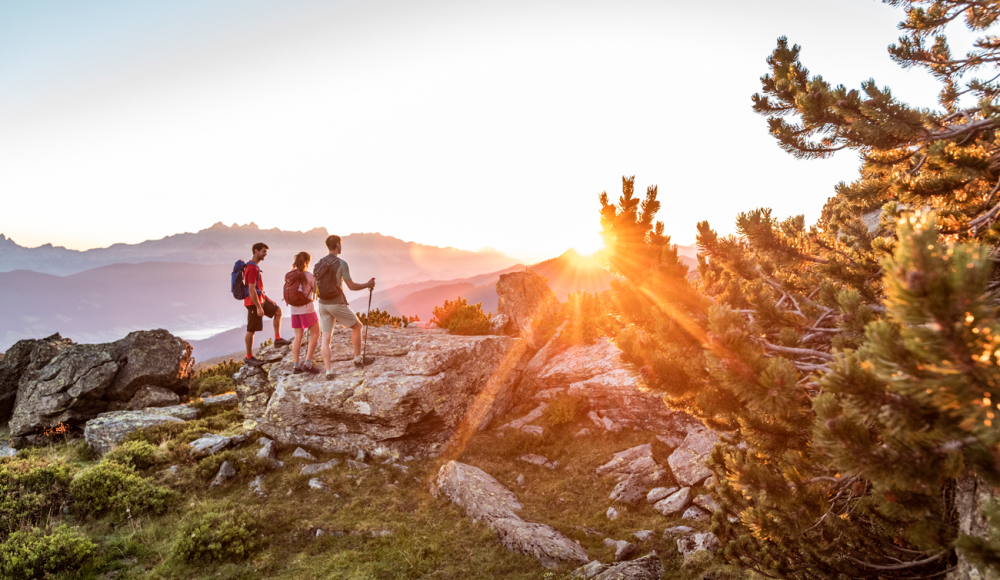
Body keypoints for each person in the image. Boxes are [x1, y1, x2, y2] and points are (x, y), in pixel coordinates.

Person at [314, 234, 375, 379]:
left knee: (326, 338)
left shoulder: (319, 263)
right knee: (357, 327)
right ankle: (357, 359)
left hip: (322, 304)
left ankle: (328, 372)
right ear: (337, 245)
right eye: (340, 244)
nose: (341, 246)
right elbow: (352, 286)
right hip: (336, 303)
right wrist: (368, 284)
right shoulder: (342, 264)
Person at [243, 242, 290, 367]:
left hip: (261, 300)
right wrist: (258, 307)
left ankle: (277, 339)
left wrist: (266, 298)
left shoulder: (255, 266)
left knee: (278, 311)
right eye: (263, 252)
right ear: (256, 251)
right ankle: (249, 357)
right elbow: (251, 289)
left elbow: (258, 288)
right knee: (251, 330)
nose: (265, 254)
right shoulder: (252, 268)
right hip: (253, 303)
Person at [288, 251, 321, 374]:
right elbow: (317, 291)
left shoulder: (290, 275)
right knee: (315, 335)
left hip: (294, 310)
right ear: (308, 262)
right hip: (307, 309)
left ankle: (296, 366)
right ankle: (307, 363)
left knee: (298, 337)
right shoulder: (309, 276)